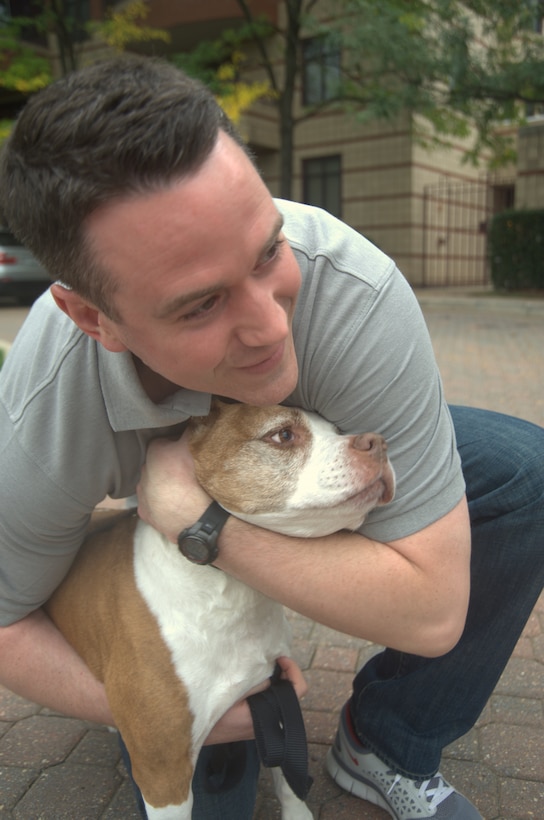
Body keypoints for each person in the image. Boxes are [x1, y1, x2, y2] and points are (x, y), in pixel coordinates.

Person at [0, 56, 542, 820]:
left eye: (267, 254)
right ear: (96, 319)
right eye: (200, 305)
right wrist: (153, 705)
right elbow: (5, 622)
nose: (270, 324)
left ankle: (386, 740)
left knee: (522, 474)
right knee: (215, 787)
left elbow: (431, 613)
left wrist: (202, 524)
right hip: (152, 590)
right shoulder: (45, 407)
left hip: (243, 490)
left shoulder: (355, 293)